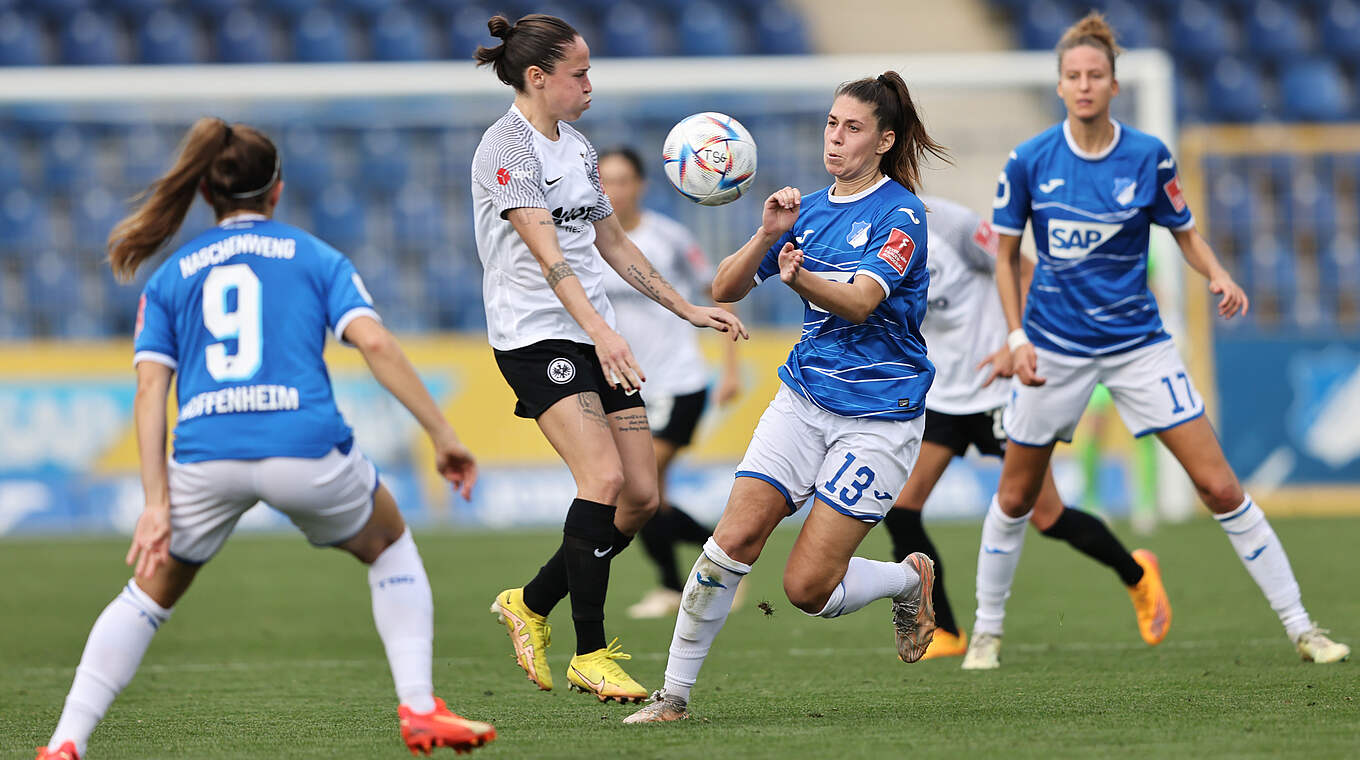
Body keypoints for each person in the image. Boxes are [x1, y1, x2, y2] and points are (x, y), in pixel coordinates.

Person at [34, 118, 495, 760]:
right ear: (276, 191)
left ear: (205, 195)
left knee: (146, 595)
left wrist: (156, 503)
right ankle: (419, 708)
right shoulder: (314, 256)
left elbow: (148, 394)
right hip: (303, 446)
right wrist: (442, 434)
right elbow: (377, 343)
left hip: (205, 455)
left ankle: (64, 742)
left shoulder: (171, 276)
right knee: (389, 544)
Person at [965, 11, 1350, 670]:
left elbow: (1185, 232)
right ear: (1060, 86)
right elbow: (1004, 257)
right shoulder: (1030, 161)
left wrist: (1219, 273)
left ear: (1115, 85)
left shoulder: (1147, 156)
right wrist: (1017, 334)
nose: (1084, 85)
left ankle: (1302, 626)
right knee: (1015, 496)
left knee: (1220, 487)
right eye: (1073, 76)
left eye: (1096, 76)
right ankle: (987, 631)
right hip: (1052, 347)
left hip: (1138, 344)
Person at [625, 71, 948, 724]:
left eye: (852, 128)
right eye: (831, 123)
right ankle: (673, 697)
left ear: (884, 141)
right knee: (732, 540)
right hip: (802, 403)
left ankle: (909, 579)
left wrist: (801, 280)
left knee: (805, 588)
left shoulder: (901, 213)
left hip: (879, 420)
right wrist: (769, 234)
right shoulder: (809, 213)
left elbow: (860, 303)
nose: (836, 137)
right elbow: (723, 288)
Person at [470, 14, 747, 704]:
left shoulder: (580, 149)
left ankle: (529, 603)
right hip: (537, 337)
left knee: (641, 496)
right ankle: (589, 652)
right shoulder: (506, 148)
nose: (591, 85)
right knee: (600, 478)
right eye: (580, 73)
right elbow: (549, 253)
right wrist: (601, 330)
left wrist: (686, 309)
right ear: (538, 78)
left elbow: (613, 245)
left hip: (593, 331)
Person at [879, 195, 1169, 661]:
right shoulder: (868, 237)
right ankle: (948, 631)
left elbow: (1027, 271)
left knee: (1048, 516)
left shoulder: (952, 224)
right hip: (945, 399)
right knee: (901, 508)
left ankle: (1137, 574)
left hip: (1000, 392)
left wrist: (1020, 342)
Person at [595, 146, 743, 620]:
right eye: (606, 180)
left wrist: (732, 367)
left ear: (640, 185)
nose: (614, 190)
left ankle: (711, 568)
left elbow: (717, 292)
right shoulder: (587, 241)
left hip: (680, 382)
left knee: (642, 487)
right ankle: (712, 566)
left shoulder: (668, 238)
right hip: (626, 386)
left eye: (623, 180)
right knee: (645, 493)